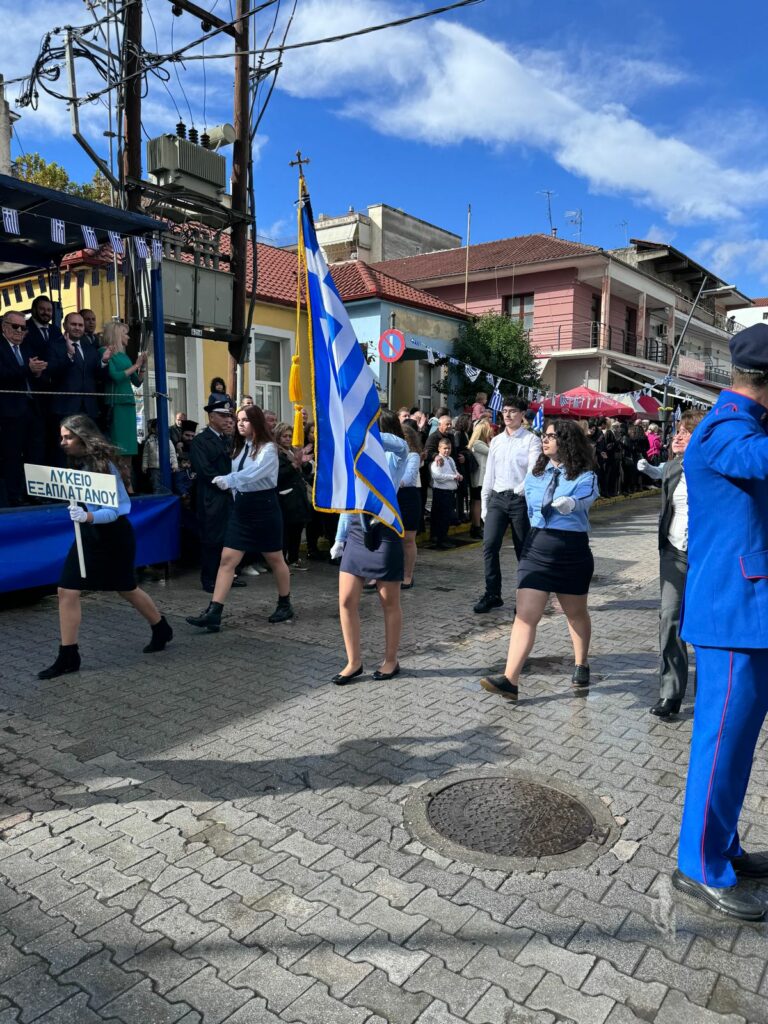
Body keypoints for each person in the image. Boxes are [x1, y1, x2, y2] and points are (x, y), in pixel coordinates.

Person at [672, 323, 768, 922]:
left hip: (749, 614)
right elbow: (752, 459)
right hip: (733, 615)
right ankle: (698, 864)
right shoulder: (724, 428)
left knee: (736, 747)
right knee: (719, 746)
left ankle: (723, 845)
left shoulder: (745, 424)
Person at [37, 415, 173, 679]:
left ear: (82, 437)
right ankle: (68, 654)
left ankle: (160, 627)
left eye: (68, 437)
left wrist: (88, 516)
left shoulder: (105, 466)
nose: (62, 442)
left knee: (127, 588)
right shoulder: (77, 463)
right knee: (66, 589)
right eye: (62, 437)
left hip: (113, 536)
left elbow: (117, 510)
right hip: (89, 535)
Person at [480, 419, 598, 701]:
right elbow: (532, 509)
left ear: (566, 441)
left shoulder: (585, 476)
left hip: (571, 550)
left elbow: (584, 499)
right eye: (544, 436)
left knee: (575, 613)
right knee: (525, 615)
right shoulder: (536, 474)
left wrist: (571, 504)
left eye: (551, 436)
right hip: (538, 547)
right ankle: (510, 680)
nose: (545, 441)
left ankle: (581, 662)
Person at [185, 405, 293, 631]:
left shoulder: (269, 448)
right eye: (238, 420)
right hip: (242, 509)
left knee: (274, 558)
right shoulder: (240, 447)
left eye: (245, 420)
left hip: (264, 507)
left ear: (256, 422)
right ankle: (215, 611)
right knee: (227, 560)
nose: (240, 423)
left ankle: (285, 603)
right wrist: (233, 486)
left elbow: (257, 473)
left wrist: (231, 479)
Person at [329, 411, 408, 684]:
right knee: (346, 600)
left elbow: (402, 446)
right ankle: (354, 661)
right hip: (356, 532)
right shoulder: (355, 458)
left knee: (388, 602)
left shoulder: (393, 459)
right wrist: (339, 539)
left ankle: (391, 659)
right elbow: (348, 503)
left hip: (383, 530)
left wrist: (366, 434)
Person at [637, 411, 705, 719]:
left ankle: (708, 694)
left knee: (704, 627)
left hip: (707, 558)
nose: (677, 436)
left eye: (685, 432)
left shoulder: (713, 470)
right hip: (674, 553)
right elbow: (658, 472)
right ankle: (671, 693)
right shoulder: (674, 468)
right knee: (669, 619)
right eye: (677, 431)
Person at [474, 397, 541, 614]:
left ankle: (525, 596)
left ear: (522, 414)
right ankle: (492, 594)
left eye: (513, 411)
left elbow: (533, 472)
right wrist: (485, 504)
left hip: (519, 500)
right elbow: (489, 474)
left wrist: (520, 489)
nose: (508, 415)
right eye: (505, 411)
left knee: (523, 550)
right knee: (489, 546)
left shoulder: (531, 440)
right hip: (497, 498)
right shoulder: (496, 441)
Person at [189, 398, 246, 593]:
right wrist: (229, 483)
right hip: (211, 497)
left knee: (230, 539)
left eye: (229, 416)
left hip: (230, 496)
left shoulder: (228, 439)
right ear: (211, 417)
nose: (227, 419)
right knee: (212, 540)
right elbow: (205, 471)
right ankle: (210, 579)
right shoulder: (200, 440)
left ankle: (230, 575)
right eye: (222, 415)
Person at [0, 311, 49, 506]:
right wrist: (28, 370)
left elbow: (39, 377)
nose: (20, 331)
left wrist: (38, 373)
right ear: (4, 327)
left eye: (23, 327)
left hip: (32, 407)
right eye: (15, 327)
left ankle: (34, 493)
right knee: (12, 453)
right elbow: (3, 375)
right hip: (9, 410)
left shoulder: (27, 348)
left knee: (35, 451)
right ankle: (14, 496)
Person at [49, 312, 110, 424]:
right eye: (73, 324)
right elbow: (52, 373)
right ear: (64, 326)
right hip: (65, 408)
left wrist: (104, 361)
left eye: (80, 325)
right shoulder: (54, 346)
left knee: (87, 442)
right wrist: (69, 356)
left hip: (89, 409)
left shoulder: (90, 348)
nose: (77, 328)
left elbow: (98, 377)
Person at [99, 321, 146, 460]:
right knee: (118, 447)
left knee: (129, 447)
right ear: (117, 335)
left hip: (128, 403)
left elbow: (137, 382)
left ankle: (127, 478)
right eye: (126, 334)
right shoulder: (104, 352)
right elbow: (116, 376)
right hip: (116, 403)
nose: (128, 337)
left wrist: (142, 366)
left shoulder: (124, 356)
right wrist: (136, 365)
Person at [274, 420, 312, 570]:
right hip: (285, 497)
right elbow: (278, 475)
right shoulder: (275, 453)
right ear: (278, 437)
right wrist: (294, 464)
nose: (288, 439)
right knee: (286, 532)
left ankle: (294, 559)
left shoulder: (293, 450)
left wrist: (303, 463)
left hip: (298, 497)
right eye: (284, 436)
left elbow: (307, 471)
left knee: (297, 529)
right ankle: (283, 562)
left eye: (290, 436)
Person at [399, 424, 423, 588]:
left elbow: (408, 478)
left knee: (408, 539)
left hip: (408, 497)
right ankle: (378, 574)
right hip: (392, 496)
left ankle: (408, 575)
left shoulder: (413, 455)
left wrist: (392, 482)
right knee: (388, 538)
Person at [430, 436, 461, 549]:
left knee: (446, 517)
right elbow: (437, 476)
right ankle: (440, 540)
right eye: (444, 448)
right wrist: (453, 477)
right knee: (441, 517)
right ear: (439, 449)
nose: (447, 450)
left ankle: (444, 537)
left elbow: (455, 470)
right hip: (441, 492)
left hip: (450, 492)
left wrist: (458, 475)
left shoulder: (450, 459)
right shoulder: (439, 461)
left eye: (449, 448)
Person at [467, 419, 493, 540]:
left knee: (477, 502)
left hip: (481, 478)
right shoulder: (478, 444)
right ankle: (476, 526)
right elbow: (493, 452)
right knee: (477, 502)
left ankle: (477, 525)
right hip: (479, 479)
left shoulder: (479, 443)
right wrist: (490, 441)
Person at [142, 418, 179, 493]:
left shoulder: (168, 441)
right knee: (156, 485)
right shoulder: (149, 442)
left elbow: (172, 453)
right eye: (159, 427)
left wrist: (175, 464)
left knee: (167, 485)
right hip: (154, 468)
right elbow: (145, 455)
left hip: (166, 467)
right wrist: (144, 465)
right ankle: (157, 497)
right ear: (153, 430)